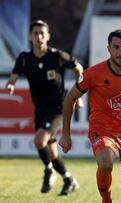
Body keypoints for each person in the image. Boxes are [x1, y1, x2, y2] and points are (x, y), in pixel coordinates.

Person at [59, 29, 121, 203]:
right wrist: (66, 134)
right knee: (105, 165)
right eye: (116, 47)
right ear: (109, 49)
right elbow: (70, 99)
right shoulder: (93, 74)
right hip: (102, 128)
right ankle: (106, 200)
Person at [5, 20, 82, 195]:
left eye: (42, 33)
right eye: (35, 33)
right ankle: (69, 180)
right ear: (30, 36)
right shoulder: (25, 57)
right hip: (40, 109)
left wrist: (78, 93)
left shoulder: (56, 56)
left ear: (48, 36)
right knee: (52, 153)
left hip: (58, 108)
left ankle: (48, 173)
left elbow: (78, 68)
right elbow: (13, 76)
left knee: (39, 141)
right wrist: (11, 85)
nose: (39, 36)